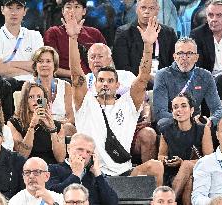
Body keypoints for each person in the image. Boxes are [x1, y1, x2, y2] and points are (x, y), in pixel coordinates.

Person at [68, 5, 164, 185]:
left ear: (117, 85)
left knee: (156, 167)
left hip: (123, 171)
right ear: (94, 84)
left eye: (110, 81)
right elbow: (75, 75)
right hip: (91, 173)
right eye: (101, 80)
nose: (105, 83)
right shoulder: (85, 102)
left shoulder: (128, 104)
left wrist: (148, 45)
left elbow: (143, 78)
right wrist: (73, 38)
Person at [86, 42, 158, 162]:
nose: (96, 60)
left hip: (127, 128)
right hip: (96, 131)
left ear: (110, 59)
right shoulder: (85, 80)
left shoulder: (126, 76)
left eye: (100, 56)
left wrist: (146, 116)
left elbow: (144, 102)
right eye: (92, 57)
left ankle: (145, 178)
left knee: (148, 134)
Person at [153, 37, 222, 131]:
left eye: (189, 53)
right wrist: (186, 122)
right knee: (163, 123)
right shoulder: (162, 75)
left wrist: (210, 121)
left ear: (196, 57)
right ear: (174, 56)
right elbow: (160, 112)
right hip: (171, 123)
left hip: (197, 126)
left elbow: (218, 109)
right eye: (180, 53)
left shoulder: (205, 76)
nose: (184, 57)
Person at [158, 93, 214, 205]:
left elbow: (209, 159)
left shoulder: (203, 130)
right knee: (189, 181)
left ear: (192, 110)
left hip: (198, 170)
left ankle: (168, 201)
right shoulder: (166, 130)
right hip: (172, 174)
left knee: (187, 165)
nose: (179, 110)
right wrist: (166, 160)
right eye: (175, 107)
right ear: (172, 112)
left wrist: (182, 162)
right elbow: (160, 156)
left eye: (184, 106)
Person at [112, 0, 177, 79]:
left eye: (151, 8)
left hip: (164, 84)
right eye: (143, 7)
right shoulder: (123, 33)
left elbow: (175, 64)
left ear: (157, 10)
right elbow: (122, 67)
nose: (147, 12)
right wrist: (147, 79)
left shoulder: (169, 33)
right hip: (134, 84)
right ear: (136, 9)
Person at [47, 133, 118, 205]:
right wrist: (76, 174)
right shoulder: (53, 169)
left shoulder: (95, 175)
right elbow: (54, 196)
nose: (84, 155)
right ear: (68, 149)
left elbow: (112, 202)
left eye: (88, 152)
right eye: (80, 149)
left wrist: (98, 174)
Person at [44, 0, 106, 80]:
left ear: (84, 11)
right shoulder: (53, 32)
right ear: (63, 11)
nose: (72, 11)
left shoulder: (95, 33)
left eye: (77, 7)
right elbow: (48, 66)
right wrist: (77, 74)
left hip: (95, 80)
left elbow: (107, 61)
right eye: (68, 7)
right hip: (66, 80)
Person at [0, 0, 44, 86]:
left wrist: (8, 64)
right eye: (10, 8)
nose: (14, 12)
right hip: (6, 87)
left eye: (18, 8)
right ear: (2, 10)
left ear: (25, 11)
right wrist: (29, 71)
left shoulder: (35, 36)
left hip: (32, 87)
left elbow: (40, 66)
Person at [7, 82, 66, 164]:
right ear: (25, 101)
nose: (36, 100)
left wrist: (52, 129)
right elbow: (22, 155)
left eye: (39, 97)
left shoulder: (57, 126)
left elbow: (60, 159)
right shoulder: (14, 124)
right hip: (29, 168)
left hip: (52, 168)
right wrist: (32, 127)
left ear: (45, 101)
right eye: (31, 97)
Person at [31, 46, 74, 124]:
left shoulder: (66, 86)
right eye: (40, 61)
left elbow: (71, 117)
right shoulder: (29, 85)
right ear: (35, 65)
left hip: (62, 127)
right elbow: (24, 115)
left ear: (55, 64)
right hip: (37, 126)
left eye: (48, 61)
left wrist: (55, 126)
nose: (44, 64)